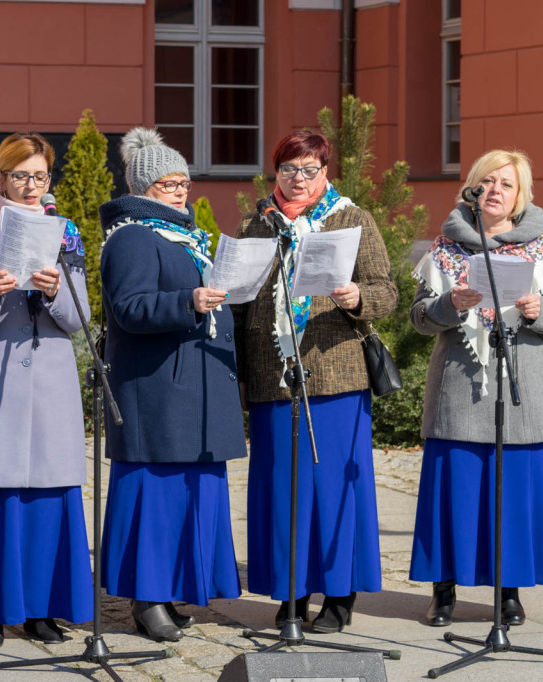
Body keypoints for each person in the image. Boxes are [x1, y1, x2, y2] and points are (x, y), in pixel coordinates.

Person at [232, 130, 397, 633]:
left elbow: (386, 291)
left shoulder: (353, 219)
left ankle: (339, 596)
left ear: (326, 172)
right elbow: (239, 305)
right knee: (282, 491)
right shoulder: (257, 226)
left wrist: (355, 298)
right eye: (288, 170)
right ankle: (290, 594)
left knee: (334, 490)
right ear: (275, 173)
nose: (299, 179)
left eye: (309, 169)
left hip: (336, 374)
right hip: (272, 376)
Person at [407, 149, 543, 627]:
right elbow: (419, 318)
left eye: (506, 183)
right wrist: (449, 303)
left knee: (515, 492)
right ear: (472, 188)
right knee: (454, 490)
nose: (496, 191)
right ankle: (443, 591)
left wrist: (536, 312)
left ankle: (510, 593)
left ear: (520, 194)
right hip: (460, 388)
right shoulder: (447, 246)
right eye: (487, 182)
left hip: (523, 389)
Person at [0, 132, 93, 648]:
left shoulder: (64, 232)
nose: (32, 186)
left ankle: (41, 611)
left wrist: (56, 292)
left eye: (41, 176)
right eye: (21, 176)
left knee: (48, 497)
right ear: (1, 179)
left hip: (50, 381)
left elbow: (80, 320)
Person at [97, 128, 247, 642]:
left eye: (184, 182)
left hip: (195, 386)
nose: (180, 191)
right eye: (167, 183)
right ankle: (146, 598)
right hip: (157, 390)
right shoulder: (134, 236)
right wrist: (188, 302)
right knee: (156, 500)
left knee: (190, 498)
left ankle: (176, 589)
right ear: (143, 187)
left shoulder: (188, 235)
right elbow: (129, 307)